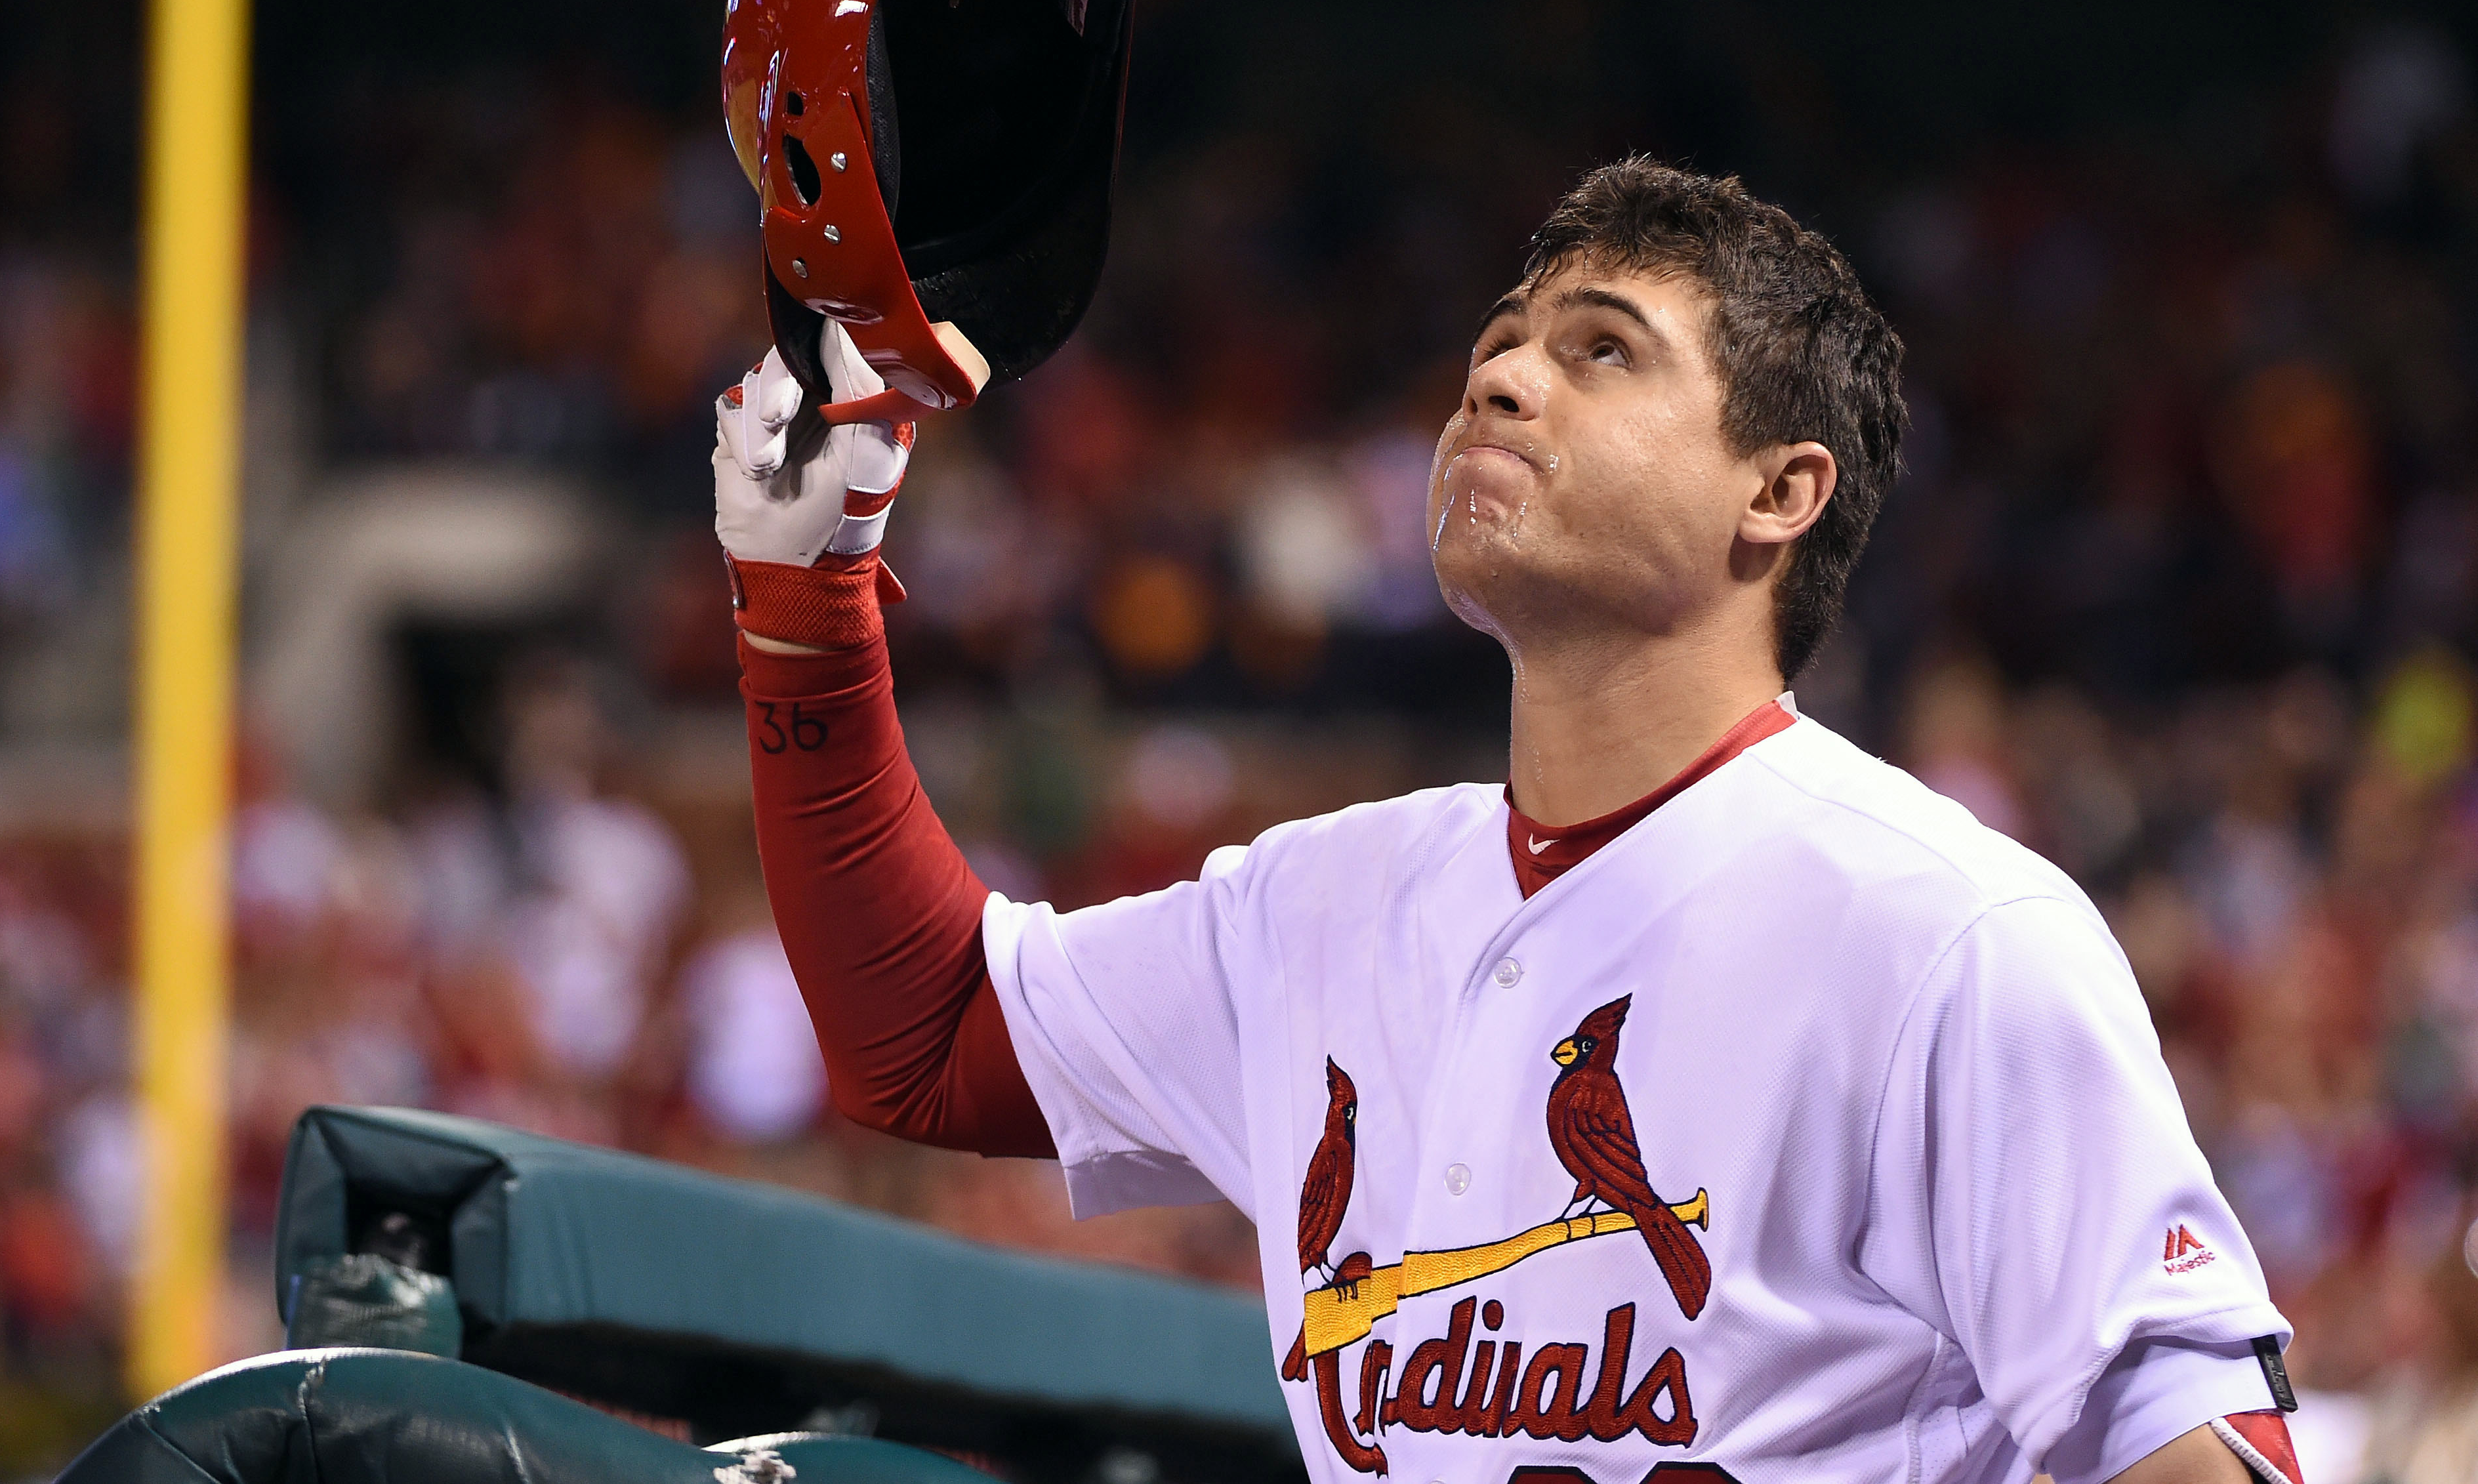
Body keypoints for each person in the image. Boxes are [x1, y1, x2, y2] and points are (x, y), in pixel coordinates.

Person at [710, 157, 2305, 1484]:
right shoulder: (1319, 902)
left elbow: (2194, 1448)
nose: (1499, 375)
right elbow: (919, 1033)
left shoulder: (1951, 936)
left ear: (1781, 491)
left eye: (1602, 349)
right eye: (1501, 340)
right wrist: (804, 604)